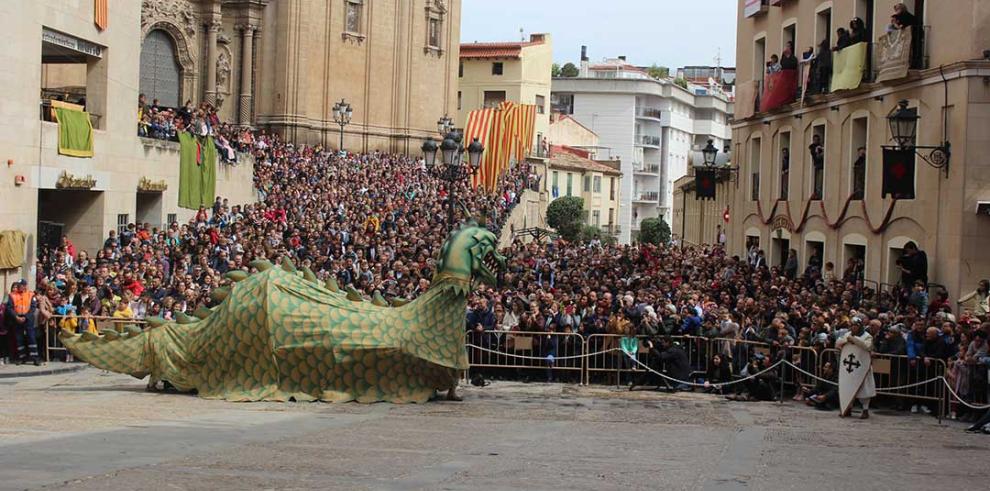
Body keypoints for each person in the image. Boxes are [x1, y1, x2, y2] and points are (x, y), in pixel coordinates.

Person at [836, 316, 876, 419]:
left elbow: (868, 346)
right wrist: (844, 341)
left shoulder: (867, 336)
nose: (853, 328)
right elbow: (838, 344)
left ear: (860, 326)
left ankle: (865, 410)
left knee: (864, 389)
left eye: (856, 326)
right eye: (852, 326)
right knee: (848, 387)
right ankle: (847, 408)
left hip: (862, 366)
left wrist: (854, 340)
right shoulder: (848, 334)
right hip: (849, 367)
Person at [4, 280, 40, 366]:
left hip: (28, 319)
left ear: (25, 286)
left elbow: (33, 307)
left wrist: (25, 317)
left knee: (31, 337)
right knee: (19, 339)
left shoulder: (31, 295)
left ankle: (35, 358)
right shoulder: (12, 295)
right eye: (19, 285)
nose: (20, 286)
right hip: (17, 319)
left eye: (22, 285)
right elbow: (9, 308)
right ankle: (21, 358)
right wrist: (16, 317)